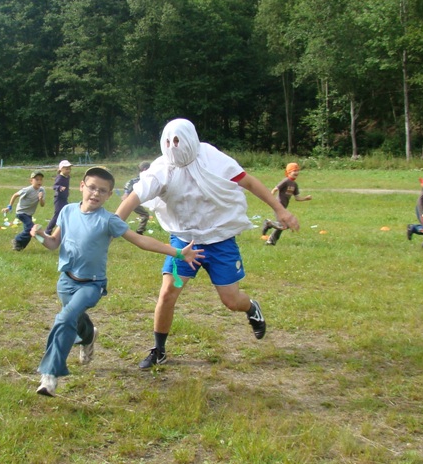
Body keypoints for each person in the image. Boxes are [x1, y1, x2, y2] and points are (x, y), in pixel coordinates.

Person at [115, 118, 300, 370]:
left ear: (190, 139)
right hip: (184, 245)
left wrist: (280, 210)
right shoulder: (161, 169)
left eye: (178, 140)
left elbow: (249, 182)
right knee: (168, 293)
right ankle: (159, 350)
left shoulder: (213, 159)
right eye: (168, 141)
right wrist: (111, 225)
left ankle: (251, 308)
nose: (173, 146)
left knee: (231, 301)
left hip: (220, 241)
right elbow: (134, 198)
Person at [30, 166, 204, 397]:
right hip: (66, 281)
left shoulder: (108, 220)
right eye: (92, 187)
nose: (95, 193)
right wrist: (40, 236)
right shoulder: (68, 211)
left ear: (109, 195)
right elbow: (53, 243)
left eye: (102, 191)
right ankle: (89, 336)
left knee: (64, 318)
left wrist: (178, 252)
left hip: (91, 284)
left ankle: (49, 375)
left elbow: (140, 241)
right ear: (82, 186)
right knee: (75, 318)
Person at [262, 162, 312, 246]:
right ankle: (268, 224)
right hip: (278, 205)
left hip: (283, 207)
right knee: (284, 224)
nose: (296, 172)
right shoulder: (285, 181)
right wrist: (270, 198)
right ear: (288, 172)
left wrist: (306, 198)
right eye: (294, 171)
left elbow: (297, 198)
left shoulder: (294, 184)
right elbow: (275, 189)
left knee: (283, 225)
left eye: (297, 170)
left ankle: (271, 240)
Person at [2, 171, 45, 251]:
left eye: (41, 179)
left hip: (29, 214)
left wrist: (40, 198)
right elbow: (15, 195)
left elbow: (42, 204)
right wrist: (9, 207)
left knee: (29, 231)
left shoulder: (41, 190)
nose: (39, 181)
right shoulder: (27, 190)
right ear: (31, 181)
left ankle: (19, 247)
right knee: (31, 228)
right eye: (36, 179)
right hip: (21, 212)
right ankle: (17, 240)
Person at [122, 161, 151, 235]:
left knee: (121, 216)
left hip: (131, 200)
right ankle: (139, 231)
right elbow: (129, 185)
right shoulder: (140, 179)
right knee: (145, 215)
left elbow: (128, 184)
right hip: (132, 200)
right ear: (145, 169)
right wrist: (126, 193)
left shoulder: (136, 179)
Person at [45, 160, 72, 235]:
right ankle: (47, 231)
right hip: (59, 199)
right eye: (66, 169)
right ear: (61, 169)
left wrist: (67, 190)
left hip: (64, 198)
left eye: (69, 169)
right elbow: (54, 186)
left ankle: (64, 230)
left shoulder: (67, 177)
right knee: (57, 214)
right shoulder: (60, 177)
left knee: (67, 213)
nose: (68, 170)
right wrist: (60, 187)